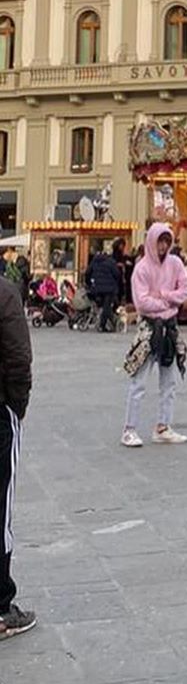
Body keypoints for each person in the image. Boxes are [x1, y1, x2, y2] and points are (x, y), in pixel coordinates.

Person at [121, 222, 187, 447]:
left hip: (169, 327)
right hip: (149, 327)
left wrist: (161, 295)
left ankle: (164, 425)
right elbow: (142, 302)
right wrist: (169, 301)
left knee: (169, 381)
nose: (163, 246)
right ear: (151, 241)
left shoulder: (176, 263)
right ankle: (129, 429)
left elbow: (186, 291)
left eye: (166, 241)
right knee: (139, 380)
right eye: (160, 241)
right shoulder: (141, 268)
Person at [0, 272, 33, 642]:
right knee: (0, 508)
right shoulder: (5, 293)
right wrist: (17, 404)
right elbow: (18, 357)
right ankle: (0, 605)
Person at [86, 241, 123, 332]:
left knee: (104, 306)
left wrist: (89, 284)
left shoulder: (95, 261)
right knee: (107, 306)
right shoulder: (111, 261)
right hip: (109, 288)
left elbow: (88, 273)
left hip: (96, 288)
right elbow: (117, 274)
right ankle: (102, 325)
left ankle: (112, 322)